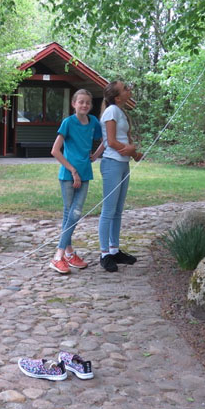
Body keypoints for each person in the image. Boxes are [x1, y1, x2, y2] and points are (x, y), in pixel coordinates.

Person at [49, 89, 102, 274]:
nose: (84, 105)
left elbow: (105, 139)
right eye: (81, 102)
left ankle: (69, 254)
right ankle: (58, 256)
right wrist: (72, 170)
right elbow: (55, 150)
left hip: (85, 173)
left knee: (73, 214)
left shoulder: (93, 122)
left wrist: (96, 154)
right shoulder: (68, 122)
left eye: (88, 102)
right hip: (68, 175)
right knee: (71, 213)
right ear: (74, 104)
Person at [93, 80, 142, 273]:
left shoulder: (121, 112)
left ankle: (114, 250)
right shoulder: (111, 111)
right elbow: (111, 142)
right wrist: (131, 150)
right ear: (117, 97)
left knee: (118, 210)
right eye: (125, 88)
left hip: (122, 164)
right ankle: (104, 254)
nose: (129, 89)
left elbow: (110, 140)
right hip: (112, 164)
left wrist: (134, 154)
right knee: (108, 210)